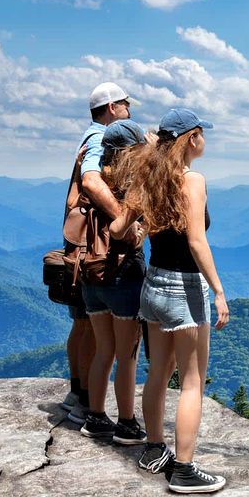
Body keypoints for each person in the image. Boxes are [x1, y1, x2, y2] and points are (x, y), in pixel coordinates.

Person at [114, 107, 230, 494]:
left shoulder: (146, 177)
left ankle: (153, 449)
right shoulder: (192, 180)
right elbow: (196, 240)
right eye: (202, 134)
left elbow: (117, 228)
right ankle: (183, 470)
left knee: (158, 373)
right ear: (191, 138)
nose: (205, 141)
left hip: (154, 284)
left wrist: (142, 226)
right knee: (192, 381)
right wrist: (218, 290)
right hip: (186, 289)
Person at [60, 81, 134, 424]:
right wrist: (123, 218)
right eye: (124, 104)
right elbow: (91, 181)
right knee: (94, 327)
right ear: (110, 108)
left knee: (83, 321)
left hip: (80, 245)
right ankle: (88, 402)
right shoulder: (100, 139)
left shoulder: (87, 136)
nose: (129, 110)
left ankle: (78, 393)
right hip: (99, 249)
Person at [78, 118, 149, 445]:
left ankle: (94, 417)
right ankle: (126, 423)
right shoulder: (129, 184)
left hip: (92, 273)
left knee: (103, 350)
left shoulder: (94, 183)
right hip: (124, 275)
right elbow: (134, 234)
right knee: (127, 355)